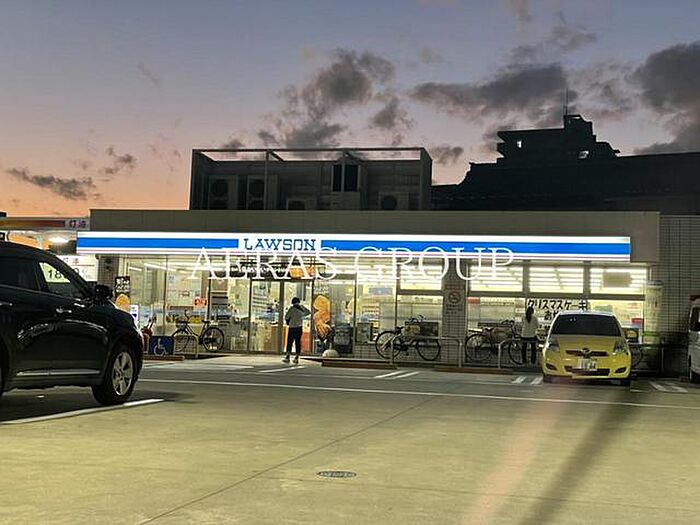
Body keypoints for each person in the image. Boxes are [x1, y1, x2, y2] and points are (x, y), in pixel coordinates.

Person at [283, 297, 311, 364]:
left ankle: (287, 357)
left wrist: (288, 321)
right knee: (298, 342)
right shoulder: (302, 308)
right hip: (299, 327)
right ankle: (296, 357)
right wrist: (302, 315)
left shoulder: (291, 309)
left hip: (292, 327)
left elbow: (286, 317)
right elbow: (308, 312)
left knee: (290, 342)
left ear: (292, 302)